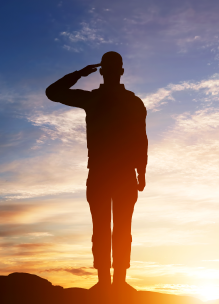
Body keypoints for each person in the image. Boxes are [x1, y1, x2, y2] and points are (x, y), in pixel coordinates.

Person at [46, 52, 148, 295]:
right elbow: (141, 140)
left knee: (107, 228)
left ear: (102, 72)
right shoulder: (127, 101)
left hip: (107, 174)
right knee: (114, 228)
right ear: (120, 71)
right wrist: (141, 172)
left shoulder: (96, 99)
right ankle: (111, 281)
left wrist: (81, 73)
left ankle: (113, 281)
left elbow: (53, 92)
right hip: (113, 174)